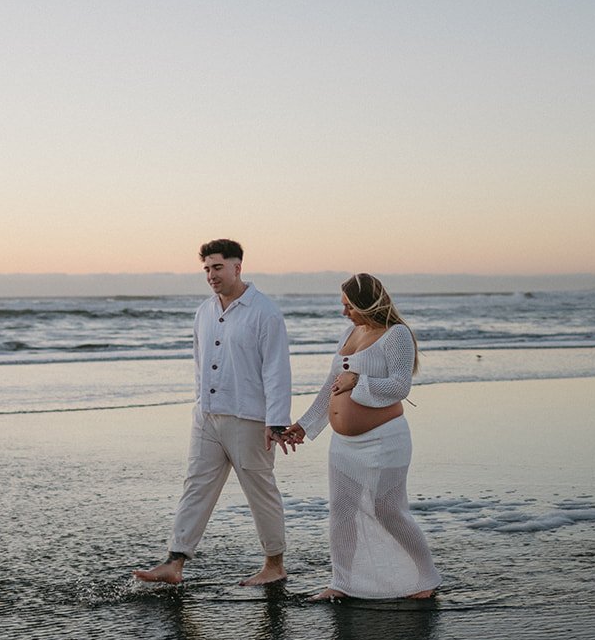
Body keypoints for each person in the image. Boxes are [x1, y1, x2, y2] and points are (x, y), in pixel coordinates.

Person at [135, 239, 294, 587]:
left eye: (217, 267)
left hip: (249, 419)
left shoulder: (264, 311)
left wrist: (276, 422)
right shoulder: (204, 311)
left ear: (238, 267)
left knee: (260, 491)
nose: (211, 275)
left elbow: (277, 370)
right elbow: (199, 363)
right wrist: (199, 406)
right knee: (196, 486)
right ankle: (175, 562)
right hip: (207, 417)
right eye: (206, 268)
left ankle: (274, 564)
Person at [282, 273, 439, 600]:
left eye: (348, 306)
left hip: (385, 439)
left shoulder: (397, 335)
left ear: (367, 303)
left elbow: (400, 386)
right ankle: (343, 583)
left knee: (388, 509)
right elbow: (331, 386)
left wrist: (359, 380)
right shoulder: (349, 332)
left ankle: (425, 578)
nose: (344, 313)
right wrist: (305, 424)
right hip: (344, 444)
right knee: (341, 510)